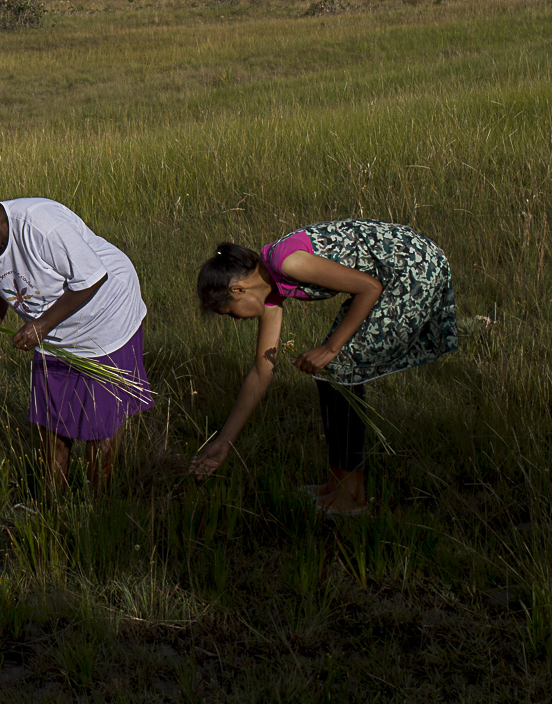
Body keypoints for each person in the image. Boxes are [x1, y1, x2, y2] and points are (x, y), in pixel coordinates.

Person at [193, 220, 458, 516]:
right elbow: (261, 371)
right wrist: (224, 442)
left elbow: (369, 287)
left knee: (341, 369)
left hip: (414, 267)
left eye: (228, 312)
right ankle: (339, 482)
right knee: (331, 373)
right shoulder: (271, 291)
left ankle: (352, 497)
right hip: (395, 273)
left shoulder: (286, 261)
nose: (236, 320)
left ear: (238, 289)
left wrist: (331, 348)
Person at [0, 183, 151, 493]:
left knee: (99, 429)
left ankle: (99, 509)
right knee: (52, 426)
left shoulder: (41, 226)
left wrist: (43, 325)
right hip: (52, 334)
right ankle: (52, 507)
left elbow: (92, 278)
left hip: (106, 318)